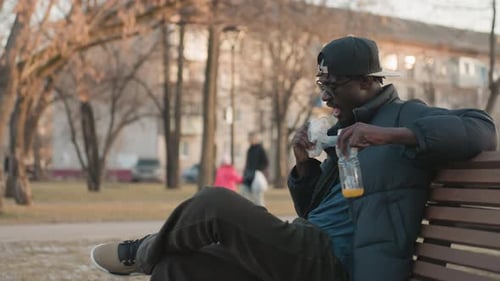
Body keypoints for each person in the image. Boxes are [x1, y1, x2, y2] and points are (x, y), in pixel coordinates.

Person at [90, 36, 497, 281]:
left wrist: (392, 134)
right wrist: (304, 164)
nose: (324, 95)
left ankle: (139, 253)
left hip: (337, 263)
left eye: (332, 84)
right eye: (321, 83)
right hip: (308, 246)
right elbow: (315, 212)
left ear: (367, 82)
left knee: (216, 204)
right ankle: (155, 259)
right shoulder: (346, 129)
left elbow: (481, 128)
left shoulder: (405, 116)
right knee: (178, 270)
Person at [241, 131, 269, 206]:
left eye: (250, 138)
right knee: (244, 195)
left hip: (256, 176)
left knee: (258, 199)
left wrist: (258, 170)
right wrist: (245, 172)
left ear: (255, 138)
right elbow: (247, 163)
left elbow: (265, 162)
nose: (249, 140)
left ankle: (262, 214)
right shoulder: (249, 150)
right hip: (248, 176)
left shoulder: (260, 149)